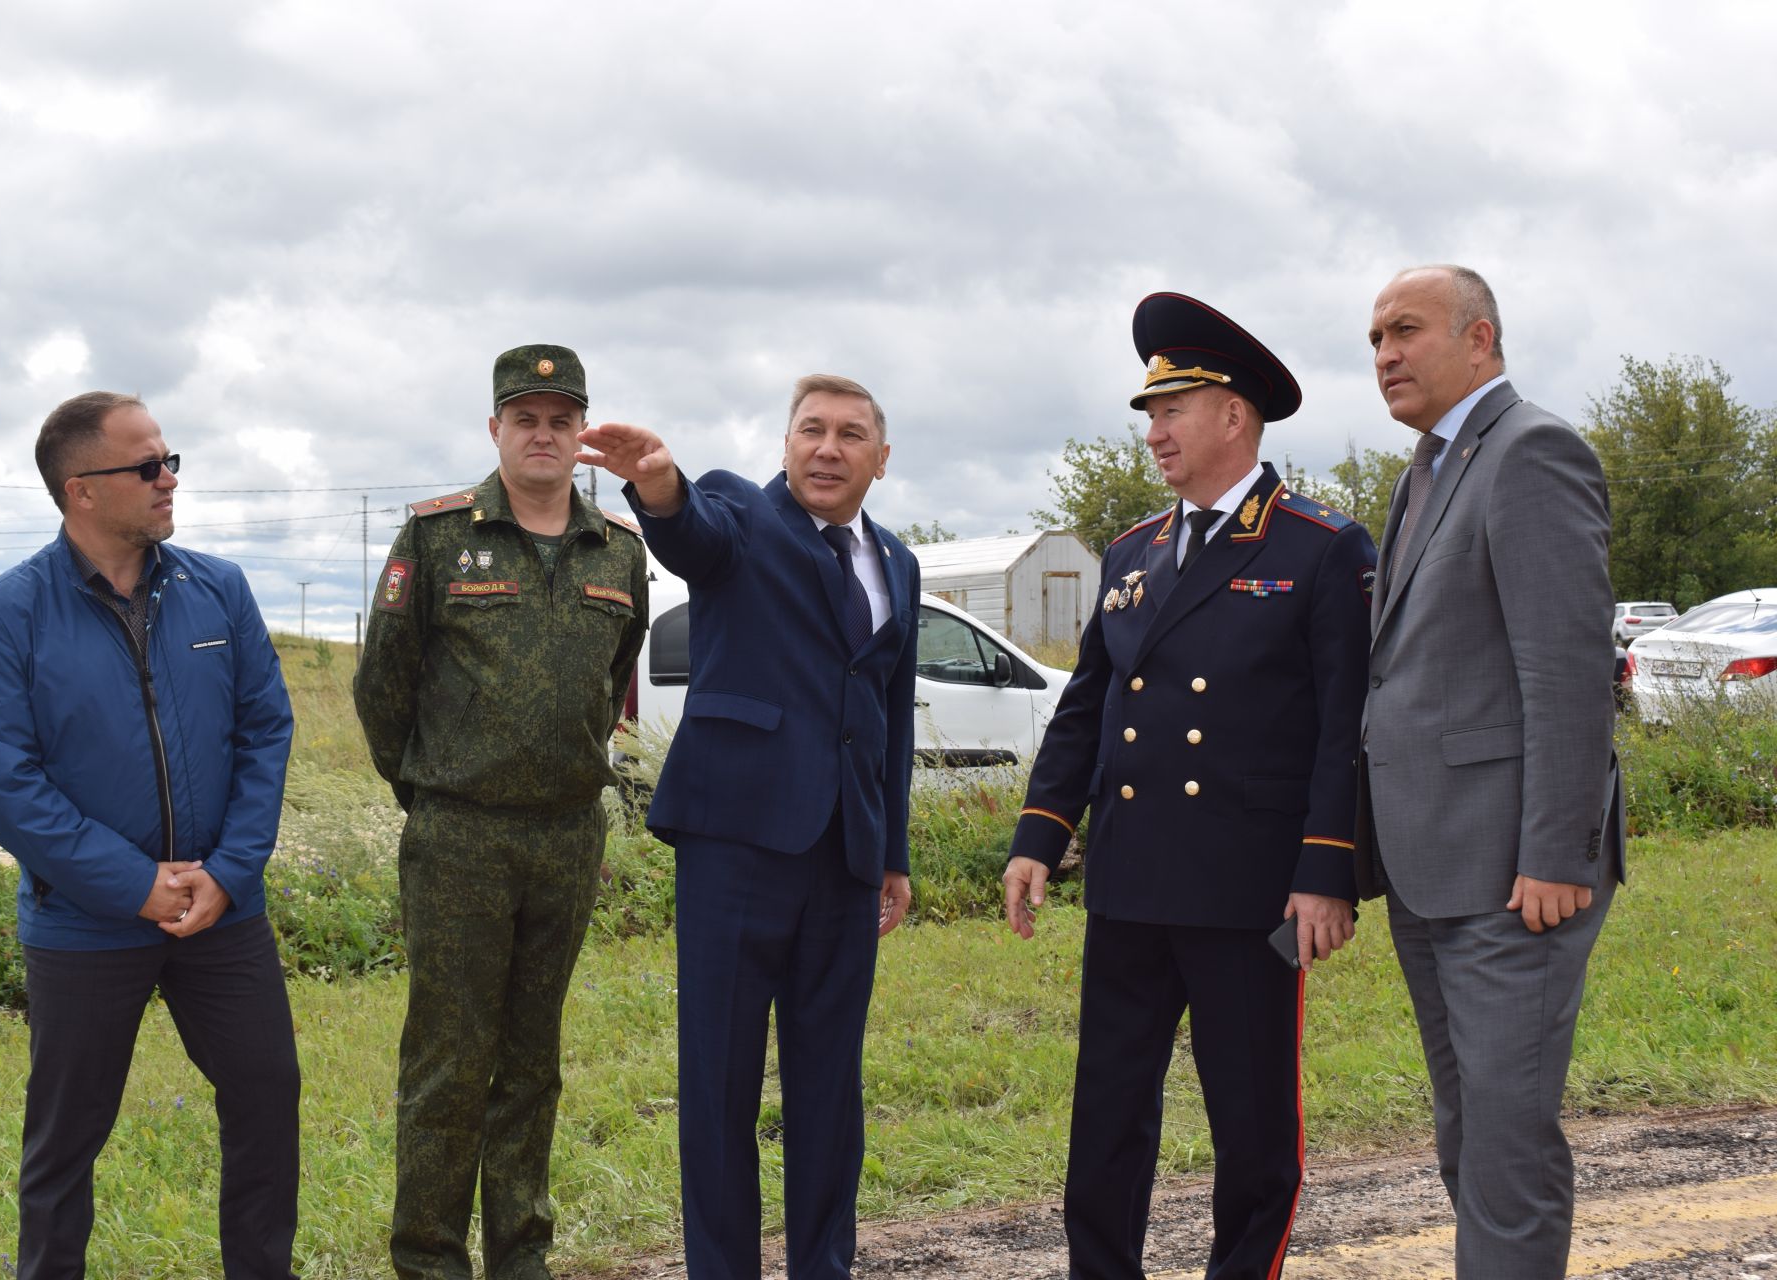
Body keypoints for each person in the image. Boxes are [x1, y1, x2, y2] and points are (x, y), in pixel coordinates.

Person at [1002, 294, 1377, 1280]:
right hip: (1130, 883)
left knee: (1253, 1129)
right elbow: (1087, 704)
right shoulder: (1130, 552)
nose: (1155, 431)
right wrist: (1040, 833)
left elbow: (1348, 726)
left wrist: (1327, 867)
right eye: (1150, 413)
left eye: (1173, 409)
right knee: (1106, 1119)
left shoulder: (1319, 547)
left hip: (1248, 888)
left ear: (1234, 416)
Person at [574, 374, 921, 1280]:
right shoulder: (740, 513)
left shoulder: (898, 562)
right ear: (784, 446)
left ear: (880, 461)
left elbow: (888, 714)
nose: (828, 449)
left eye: (851, 435)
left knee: (828, 1092)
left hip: (845, 859)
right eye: (811, 430)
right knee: (721, 1090)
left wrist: (892, 853)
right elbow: (694, 534)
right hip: (736, 850)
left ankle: (824, 1268)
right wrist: (659, 486)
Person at [0, 391, 300, 1280]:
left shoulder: (219, 588)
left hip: (224, 913)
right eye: (146, 466)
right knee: (66, 1138)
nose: (168, 478)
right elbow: (4, 785)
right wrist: (133, 883)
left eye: (171, 458)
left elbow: (266, 730)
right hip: (84, 922)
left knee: (266, 1097)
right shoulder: (4, 615)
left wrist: (227, 871)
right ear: (82, 491)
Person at [353, 344, 648, 1280]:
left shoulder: (621, 552)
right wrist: (433, 793)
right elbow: (382, 688)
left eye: (563, 420)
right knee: (448, 1066)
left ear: (582, 436)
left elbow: (613, 686)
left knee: (532, 1064)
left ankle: (522, 1255)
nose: (544, 435)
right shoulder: (439, 539)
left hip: (566, 836)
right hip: (460, 837)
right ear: (496, 429)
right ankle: (430, 1260)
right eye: (526, 418)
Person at [1358, 265, 1622, 1277]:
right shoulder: (1428, 467)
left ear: (1480, 339)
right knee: (1466, 1136)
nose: (1384, 352)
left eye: (1405, 330)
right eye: (1374, 336)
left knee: (1506, 1148)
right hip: (1434, 867)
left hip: (1520, 882)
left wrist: (1559, 852)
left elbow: (1565, 673)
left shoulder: (1530, 451)